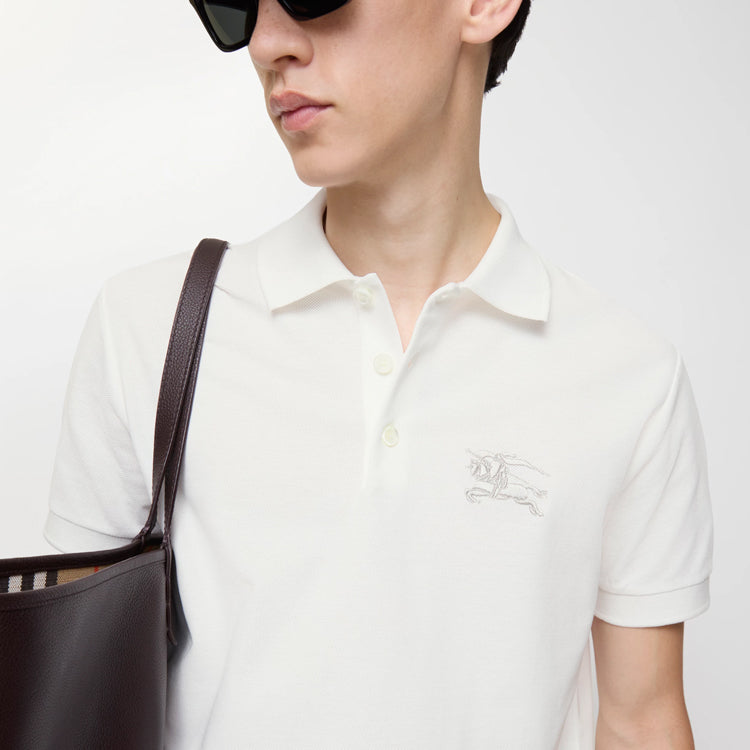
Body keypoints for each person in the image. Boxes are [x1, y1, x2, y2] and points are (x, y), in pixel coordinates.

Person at [43, 0, 713, 747]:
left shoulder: (627, 378)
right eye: (239, 6)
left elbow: (640, 723)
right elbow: (73, 702)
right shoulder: (150, 326)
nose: (266, 44)